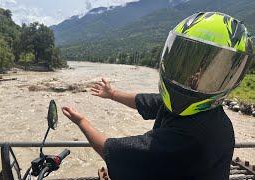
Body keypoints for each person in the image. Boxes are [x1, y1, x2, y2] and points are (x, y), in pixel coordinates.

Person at [62, 12, 254, 180]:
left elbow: (113, 151)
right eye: (190, 66)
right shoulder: (207, 115)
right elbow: (148, 102)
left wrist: (82, 122)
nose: (195, 75)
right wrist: (112, 94)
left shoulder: (194, 137)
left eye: (210, 73)